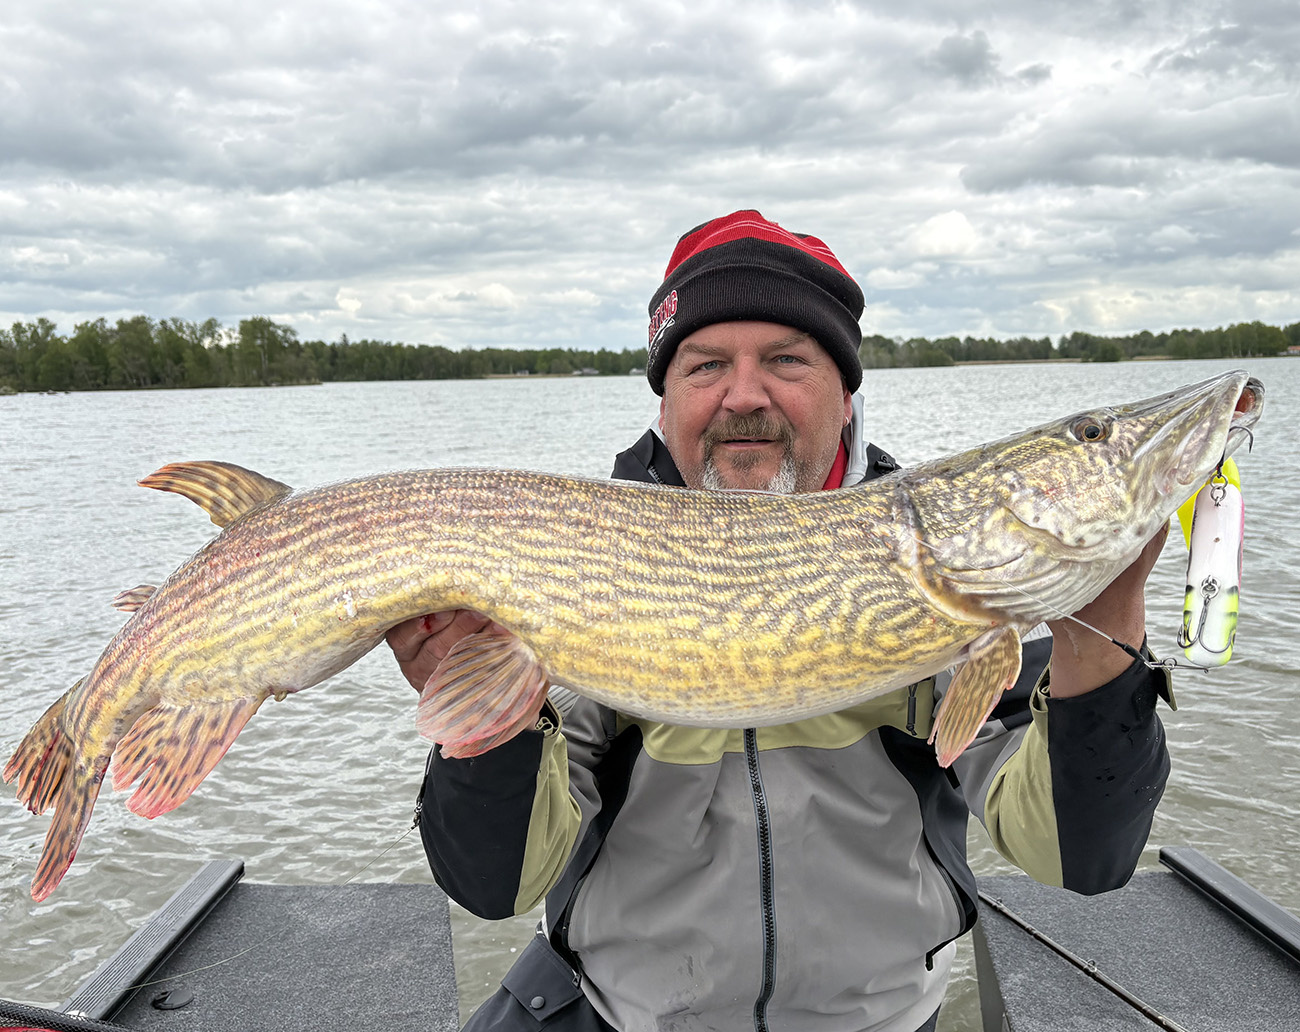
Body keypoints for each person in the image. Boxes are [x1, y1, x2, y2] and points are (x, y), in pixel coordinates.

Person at [387, 211, 1172, 1032]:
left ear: (845, 391)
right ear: (667, 404)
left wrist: (1107, 625)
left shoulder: (952, 579)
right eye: (706, 364)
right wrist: (484, 721)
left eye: (787, 360)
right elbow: (495, 886)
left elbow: (1079, 858)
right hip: (621, 1016)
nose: (744, 395)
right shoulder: (579, 570)